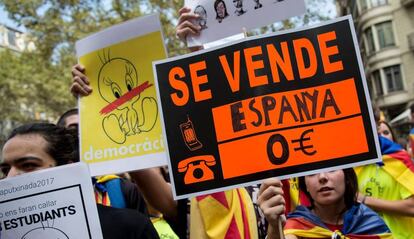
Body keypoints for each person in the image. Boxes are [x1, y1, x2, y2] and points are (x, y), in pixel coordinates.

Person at [0, 123, 159, 239]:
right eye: (5, 170)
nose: (11, 177)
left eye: (28, 165)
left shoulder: (130, 227)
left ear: (68, 169)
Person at [257, 169, 392, 239]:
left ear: (346, 177)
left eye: (332, 169)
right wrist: (274, 227)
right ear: (306, 187)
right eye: (312, 173)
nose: (322, 177)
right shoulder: (296, 226)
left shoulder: (371, 224)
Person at [353, 106, 414, 239]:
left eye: (367, 121)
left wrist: (364, 200)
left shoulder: (398, 158)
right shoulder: (347, 164)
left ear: (377, 125)